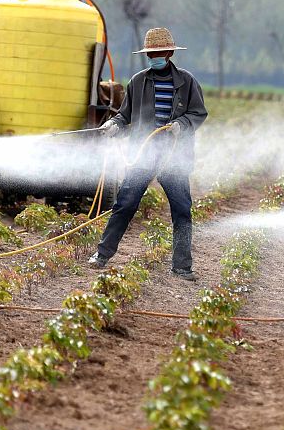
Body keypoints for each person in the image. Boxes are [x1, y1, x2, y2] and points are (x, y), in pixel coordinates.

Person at [88, 27, 207, 280]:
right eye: (150, 53)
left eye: (158, 52)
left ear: (170, 52)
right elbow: (124, 115)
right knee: (125, 204)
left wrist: (181, 125)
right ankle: (102, 255)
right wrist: (115, 125)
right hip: (143, 153)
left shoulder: (187, 82)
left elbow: (198, 113)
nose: (154, 57)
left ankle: (182, 267)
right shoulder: (138, 82)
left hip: (174, 156)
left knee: (182, 210)